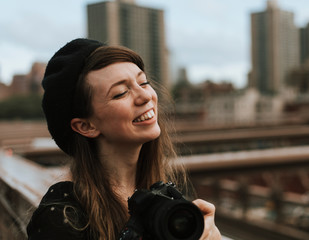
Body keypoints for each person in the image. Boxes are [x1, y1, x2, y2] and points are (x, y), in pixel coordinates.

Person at [26, 38, 221, 240]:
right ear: (86, 126)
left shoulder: (162, 202)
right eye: (120, 93)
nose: (145, 96)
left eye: (143, 82)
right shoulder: (61, 218)